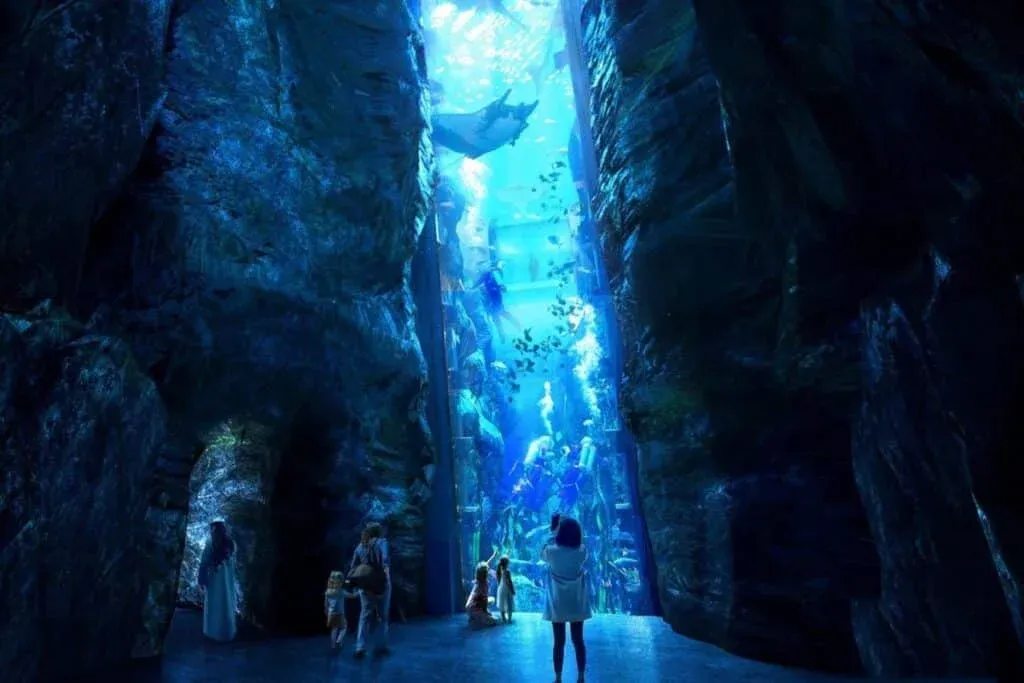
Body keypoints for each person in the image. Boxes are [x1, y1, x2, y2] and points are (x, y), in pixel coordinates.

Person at [542, 517, 591, 683]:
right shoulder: (581, 551)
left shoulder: (552, 552)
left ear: (559, 532)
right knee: (578, 641)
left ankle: (558, 677)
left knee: (558, 642)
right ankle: (581, 676)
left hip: (558, 604)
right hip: (576, 603)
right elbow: (582, 548)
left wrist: (552, 532)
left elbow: (542, 551)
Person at [349, 522, 391, 658]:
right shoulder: (382, 543)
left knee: (364, 615)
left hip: (365, 586)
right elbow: (384, 561)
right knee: (382, 615)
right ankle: (381, 646)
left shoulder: (360, 546)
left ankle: (360, 647)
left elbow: (353, 566)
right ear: (379, 532)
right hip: (381, 583)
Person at [197, 518, 239, 643]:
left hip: (214, 580)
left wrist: (202, 580)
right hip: (225, 581)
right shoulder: (231, 544)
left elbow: (204, 563)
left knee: (216, 605)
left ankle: (214, 632)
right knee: (226, 603)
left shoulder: (211, 543)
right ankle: (226, 631)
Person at [474, 261, 522, 343]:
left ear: (485, 266)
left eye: (480, 267)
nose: (479, 270)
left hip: (496, 297)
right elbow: (477, 283)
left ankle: (514, 327)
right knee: (497, 316)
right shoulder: (485, 275)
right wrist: (472, 288)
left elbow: (502, 286)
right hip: (491, 298)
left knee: (500, 314)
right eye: (479, 268)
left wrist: (495, 289)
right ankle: (503, 334)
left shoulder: (493, 273)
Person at [324, 570, 354, 651]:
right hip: (340, 614)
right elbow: (351, 596)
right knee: (344, 627)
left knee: (334, 629)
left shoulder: (328, 592)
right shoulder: (341, 592)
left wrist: (326, 612)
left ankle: (333, 645)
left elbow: (326, 604)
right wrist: (358, 592)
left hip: (331, 614)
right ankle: (339, 640)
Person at [466, 562, 499, 628]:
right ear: (486, 573)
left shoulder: (477, 581)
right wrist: (486, 612)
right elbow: (484, 600)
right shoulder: (484, 584)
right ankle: (476, 616)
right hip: (475, 608)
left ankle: (473, 616)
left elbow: (481, 599)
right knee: (495, 621)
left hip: (469, 606)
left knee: (491, 599)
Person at [496, 555, 516, 623]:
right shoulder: (507, 571)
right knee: (509, 603)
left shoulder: (499, 570)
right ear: (507, 563)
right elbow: (509, 582)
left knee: (502, 603)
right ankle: (509, 619)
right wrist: (512, 590)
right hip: (507, 590)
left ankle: (503, 618)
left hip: (501, 589)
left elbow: (499, 581)